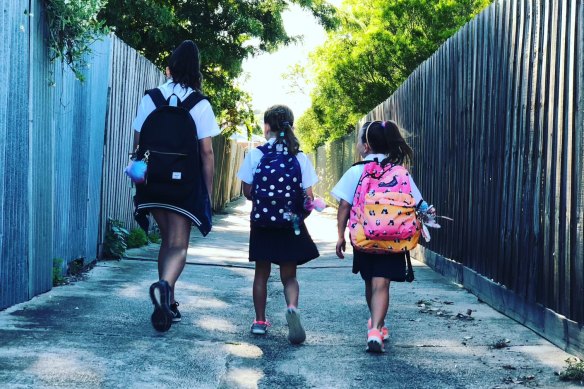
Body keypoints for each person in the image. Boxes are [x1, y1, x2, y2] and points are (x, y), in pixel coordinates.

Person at [131, 40, 220, 332]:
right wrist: (206, 192)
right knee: (179, 245)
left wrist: (140, 179)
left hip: (153, 182)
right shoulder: (200, 104)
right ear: (196, 70)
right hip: (184, 185)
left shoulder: (151, 97)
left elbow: (138, 143)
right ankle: (165, 287)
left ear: (170, 66)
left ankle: (168, 303)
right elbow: (206, 153)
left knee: (167, 241)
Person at [332, 120, 432, 353]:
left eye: (359, 140)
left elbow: (344, 206)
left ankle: (376, 324)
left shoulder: (356, 171)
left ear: (366, 145)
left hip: (364, 237)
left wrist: (340, 236)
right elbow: (419, 203)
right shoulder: (400, 172)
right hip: (393, 239)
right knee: (382, 284)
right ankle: (376, 328)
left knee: (370, 280)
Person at [237, 105, 319, 344]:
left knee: (261, 273)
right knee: (289, 276)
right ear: (290, 126)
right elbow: (309, 197)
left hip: (262, 223)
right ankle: (292, 307)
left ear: (267, 127)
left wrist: (266, 201)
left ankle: (260, 322)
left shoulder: (256, 154)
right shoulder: (299, 156)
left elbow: (247, 192)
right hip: (289, 223)